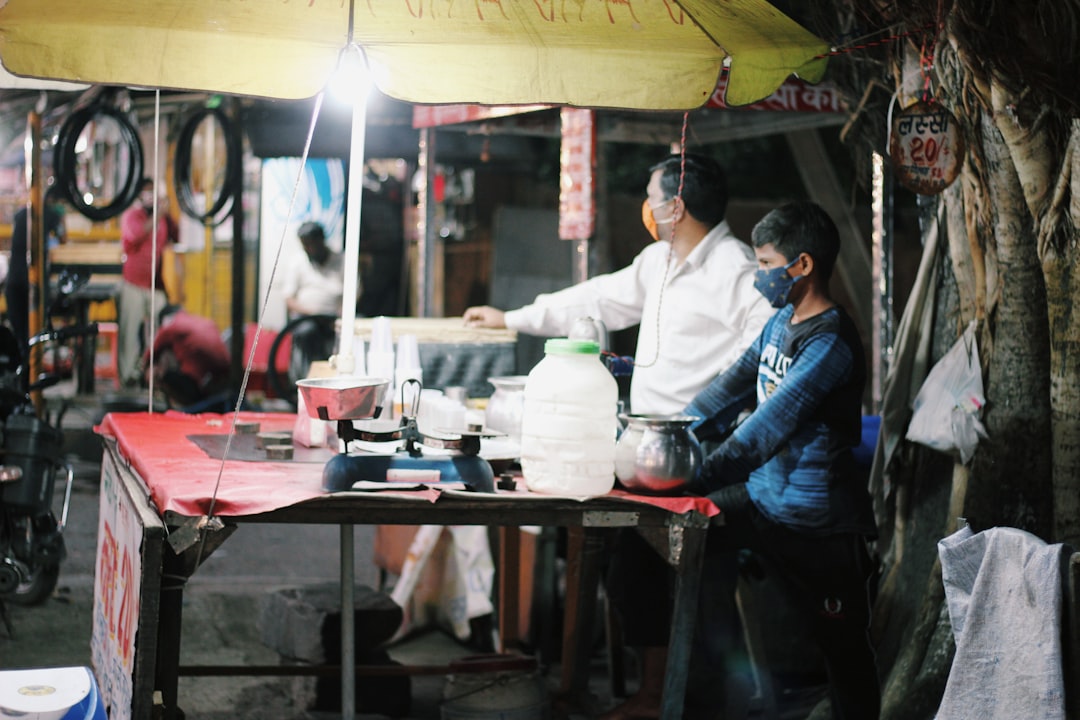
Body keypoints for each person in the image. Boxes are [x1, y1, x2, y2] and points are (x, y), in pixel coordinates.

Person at [605, 201, 880, 720]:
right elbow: (729, 387)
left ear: (802, 265)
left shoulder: (832, 341)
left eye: (766, 264)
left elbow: (763, 431)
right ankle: (675, 698)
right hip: (760, 500)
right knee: (646, 542)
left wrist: (689, 475)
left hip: (816, 525)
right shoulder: (781, 320)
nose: (760, 276)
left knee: (842, 655)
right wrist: (666, 437)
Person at [464, 152, 775, 415]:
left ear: (675, 208)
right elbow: (597, 300)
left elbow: (755, 353)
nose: (648, 208)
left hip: (698, 437)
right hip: (647, 430)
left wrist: (712, 412)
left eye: (652, 199)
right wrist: (510, 318)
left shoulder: (736, 268)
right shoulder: (658, 260)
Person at [117, 178, 180, 389]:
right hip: (133, 284)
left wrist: (167, 213)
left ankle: (151, 373)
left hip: (154, 285)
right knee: (129, 333)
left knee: (159, 333)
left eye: (152, 192)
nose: (149, 196)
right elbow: (135, 236)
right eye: (145, 192)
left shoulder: (162, 219)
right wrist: (157, 216)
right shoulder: (132, 216)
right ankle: (128, 377)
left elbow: (176, 235)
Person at [5, 189, 66, 362]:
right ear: (54, 201)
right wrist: (62, 218)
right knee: (35, 334)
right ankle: (31, 373)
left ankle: (23, 373)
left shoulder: (21, 214)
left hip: (14, 282)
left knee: (20, 335)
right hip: (33, 284)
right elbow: (63, 238)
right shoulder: (51, 214)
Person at [279, 221, 345, 376]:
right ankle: (306, 377)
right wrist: (311, 313)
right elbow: (289, 299)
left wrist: (341, 314)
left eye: (311, 244)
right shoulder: (298, 262)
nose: (308, 249)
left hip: (334, 318)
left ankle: (336, 376)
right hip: (306, 317)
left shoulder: (341, 261)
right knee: (307, 332)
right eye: (305, 245)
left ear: (321, 240)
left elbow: (355, 293)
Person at [145, 304, 230, 409]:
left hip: (198, 388)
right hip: (223, 383)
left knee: (161, 374)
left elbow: (151, 352)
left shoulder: (171, 325)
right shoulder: (205, 322)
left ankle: (178, 409)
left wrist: (147, 370)